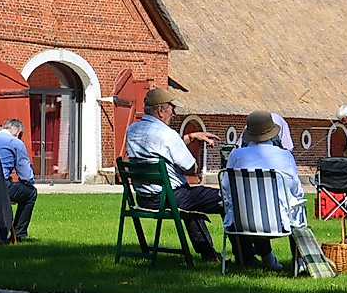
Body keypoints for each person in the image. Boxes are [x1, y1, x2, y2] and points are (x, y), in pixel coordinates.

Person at [124, 87, 223, 262]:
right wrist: (193, 150)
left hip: (144, 198)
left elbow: (157, 145)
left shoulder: (133, 130)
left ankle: (209, 255)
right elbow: (191, 167)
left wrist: (190, 137)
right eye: (172, 108)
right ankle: (246, 256)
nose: (175, 113)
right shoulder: (168, 135)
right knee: (226, 198)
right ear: (161, 110)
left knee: (192, 201)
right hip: (170, 197)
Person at [222, 110, 306, 271]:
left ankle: (267, 259)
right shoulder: (285, 156)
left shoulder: (236, 155)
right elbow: (296, 189)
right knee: (295, 207)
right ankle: (299, 261)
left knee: (254, 204)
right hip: (280, 222)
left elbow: (226, 188)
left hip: (242, 221)